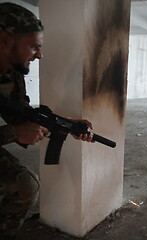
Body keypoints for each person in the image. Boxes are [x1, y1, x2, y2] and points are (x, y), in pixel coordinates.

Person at [0, 3, 93, 239]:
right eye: (34, 47)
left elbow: (20, 113)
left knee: (24, 184)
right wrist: (13, 133)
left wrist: (63, 124)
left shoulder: (11, 74)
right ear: (5, 40)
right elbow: (15, 127)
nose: (39, 55)